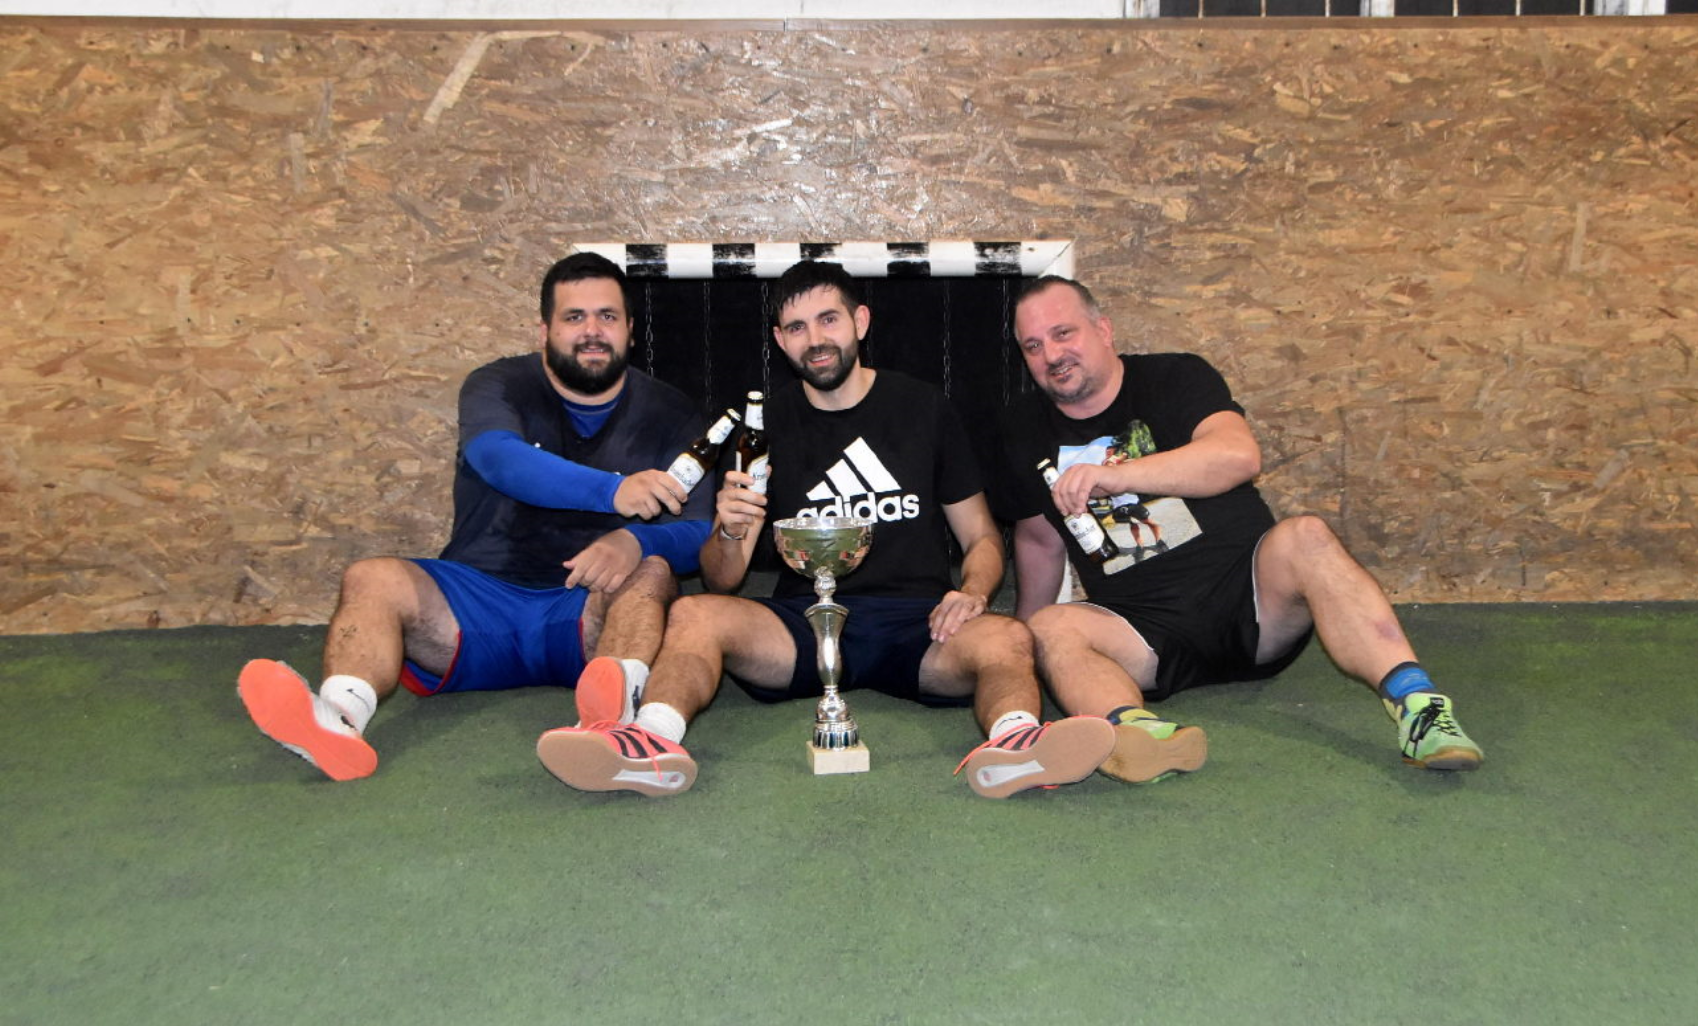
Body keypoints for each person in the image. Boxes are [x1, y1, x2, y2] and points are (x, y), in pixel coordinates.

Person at [534, 260, 1115, 799]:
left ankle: (1016, 746)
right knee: (694, 614)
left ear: (860, 321)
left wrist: (973, 592)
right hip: (805, 626)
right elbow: (722, 580)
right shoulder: (761, 428)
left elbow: (982, 538)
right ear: (780, 339)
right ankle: (649, 743)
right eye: (796, 327)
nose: (815, 339)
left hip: (920, 625)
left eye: (828, 319)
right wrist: (730, 531)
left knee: (1008, 637)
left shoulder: (924, 408)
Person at [237, 251, 717, 780]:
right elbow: (498, 459)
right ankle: (338, 720)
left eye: (607, 316)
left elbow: (700, 529)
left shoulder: (672, 411)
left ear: (630, 329)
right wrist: (613, 491)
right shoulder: (497, 384)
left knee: (653, 572)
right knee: (371, 577)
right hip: (473, 610)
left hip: (586, 615)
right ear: (545, 330)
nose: (592, 331)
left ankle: (613, 729)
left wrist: (635, 542)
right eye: (574, 317)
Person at [995, 275, 1484, 784]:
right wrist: (1024, 654)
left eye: (1063, 333)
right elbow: (1039, 540)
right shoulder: (1021, 425)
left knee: (1306, 535)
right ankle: (1138, 735)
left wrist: (1116, 476)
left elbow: (1238, 456)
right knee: (1050, 626)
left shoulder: (1175, 376)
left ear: (1103, 329)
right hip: (1141, 632)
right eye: (1033, 346)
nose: (1052, 355)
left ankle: (1420, 708)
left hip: (1251, 605)